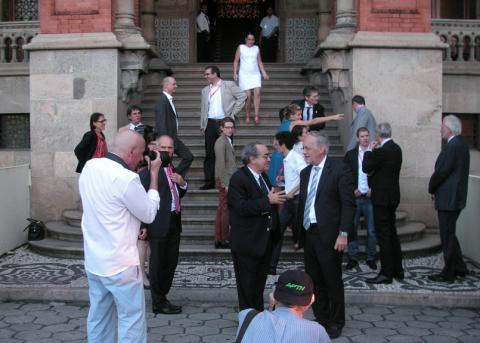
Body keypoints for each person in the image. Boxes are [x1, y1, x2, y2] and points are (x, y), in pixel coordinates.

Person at [79, 130, 161, 343]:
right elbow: (149, 214)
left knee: (98, 317)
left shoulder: (90, 167)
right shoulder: (126, 178)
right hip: (121, 265)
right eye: (142, 153)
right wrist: (153, 176)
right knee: (131, 319)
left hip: (94, 260)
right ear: (132, 151)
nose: (143, 158)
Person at [298, 132, 355, 339]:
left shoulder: (339, 170)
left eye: (307, 148)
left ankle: (336, 321)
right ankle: (321, 318)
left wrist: (343, 233)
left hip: (331, 235)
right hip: (310, 234)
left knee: (332, 280)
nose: (304, 152)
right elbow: (304, 203)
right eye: (304, 148)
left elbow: (348, 205)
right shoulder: (305, 173)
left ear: (321, 149)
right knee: (314, 280)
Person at [228, 142, 286, 311]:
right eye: (265, 156)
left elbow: (270, 203)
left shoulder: (263, 177)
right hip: (247, 242)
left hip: (264, 241)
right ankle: (248, 321)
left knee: (258, 283)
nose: (269, 159)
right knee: (247, 285)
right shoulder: (239, 178)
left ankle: (258, 315)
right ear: (252, 159)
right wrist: (267, 201)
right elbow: (240, 207)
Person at [139, 135, 187, 315]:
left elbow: (176, 194)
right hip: (158, 223)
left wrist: (183, 184)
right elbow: (141, 199)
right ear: (156, 149)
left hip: (174, 221)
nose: (167, 151)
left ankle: (163, 296)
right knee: (158, 264)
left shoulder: (171, 168)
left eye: (170, 148)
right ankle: (158, 302)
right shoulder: (148, 171)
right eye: (163, 148)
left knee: (171, 262)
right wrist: (143, 224)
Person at [428, 115, 469, 283]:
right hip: (454, 198)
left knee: (447, 236)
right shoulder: (460, 144)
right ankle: (459, 267)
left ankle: (449, 272)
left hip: (449, 199)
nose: (441, 130)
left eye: (443, 127)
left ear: (450, 129)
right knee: (450, 234)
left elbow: (442, 171)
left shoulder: (453, 146)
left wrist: (431, 187)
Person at [236, 270, 331, 343]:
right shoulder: (317, 331)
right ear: (311, 300)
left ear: (274, 294)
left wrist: (271, 307)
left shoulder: (246, 316)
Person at [363, 122, 404, 285]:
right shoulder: (397, 148)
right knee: (392, 233)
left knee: (384, 236)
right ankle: (397, 269)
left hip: (381, 198)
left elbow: (366, 167)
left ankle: (386, 273)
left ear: (378, 135)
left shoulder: (381, 151)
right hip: (392, 197)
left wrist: (368, 151)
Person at [267, 104, 343, 185]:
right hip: (283, 156)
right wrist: (332, 117)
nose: (300, 117)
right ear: (291, 116)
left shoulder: (283, 123)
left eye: (301, 114)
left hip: (277, 155)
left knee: (276, 184)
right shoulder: (294, 123)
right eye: (298, 115)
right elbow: (312, 121)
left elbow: (274, 142)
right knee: (280, 184)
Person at [200, 65, 246, 190]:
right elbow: (203, 108)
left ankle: (228, 180)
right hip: (210, 123)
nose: (206, 76)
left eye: (207, 74)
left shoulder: (229, 85)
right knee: (210, 153)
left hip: (224, 123)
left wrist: (232, 114)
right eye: (205, 74)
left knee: (227, 152)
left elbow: (243, 96)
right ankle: (210, 181)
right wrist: (203, 124)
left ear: (215, 74)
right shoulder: (205, 90)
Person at [270, 132, 307, 275]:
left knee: (304, 234)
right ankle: (271, 266)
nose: (275, 146)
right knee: (277, 230)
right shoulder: (287, 159)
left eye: (276, 143)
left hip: (297, 201)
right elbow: (295, 175)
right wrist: (283, 178)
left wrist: (293, 191)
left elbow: (305, 175)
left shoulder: (295, 158)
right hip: (289, 202)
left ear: (282, 144)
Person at [343, 127, 377, 270]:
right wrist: (352, 189)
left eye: (367, 136)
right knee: (352, 228)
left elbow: (379, 174)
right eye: (362, 136)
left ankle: (371, 257)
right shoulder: (350, 155)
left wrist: (373, 188)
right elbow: (345, 176)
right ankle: (353, 257)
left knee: (371, 230)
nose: (365, 138)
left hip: (369, 198)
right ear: (357, 138)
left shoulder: (375, 154)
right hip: (355, 198)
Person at [154, 76, 194, 177]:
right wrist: (164, 141)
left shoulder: (168, 99)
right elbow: (161, 122)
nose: (176, 86)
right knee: (166, 164)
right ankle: (170, 179)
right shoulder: (162, 100)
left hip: (173, 138)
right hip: (167, 140)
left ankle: (174, 176)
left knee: (188, 156)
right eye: (174, 84)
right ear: (167, 85)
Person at [233, 32, 269, 125]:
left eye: (252, 39)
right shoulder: (241, 47)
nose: (251, 41)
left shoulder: (256, 48)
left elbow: (259, 62)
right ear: (246, 39)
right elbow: (236, 61)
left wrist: (264, 73)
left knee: (257, 94)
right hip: (244, 75)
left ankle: (256, 115)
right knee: (248, 96)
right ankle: (247, 115)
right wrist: (235, 73)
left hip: (255, 74)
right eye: (249, 39)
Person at [214, 118, 237, 249]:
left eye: (232, 127)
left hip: (226, 178)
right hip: (225, 179)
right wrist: (225, 183)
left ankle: (219, 239)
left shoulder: (226, 140)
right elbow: (221, 164)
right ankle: (224, 239)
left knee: (221, 209)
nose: (230, 129)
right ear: (222, 128)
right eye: (227, 127)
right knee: (225, 210)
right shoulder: (221, 142)